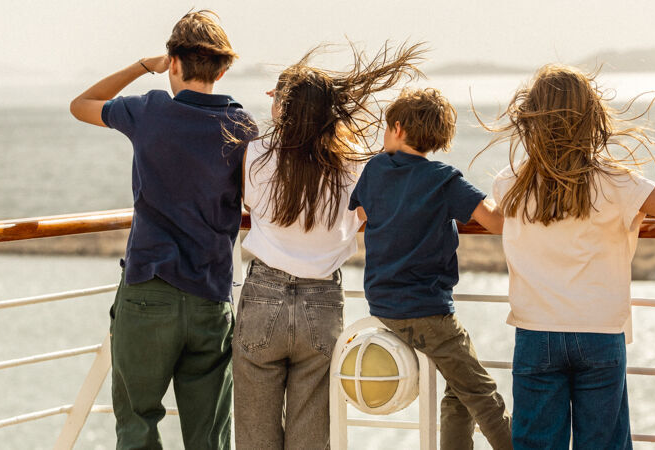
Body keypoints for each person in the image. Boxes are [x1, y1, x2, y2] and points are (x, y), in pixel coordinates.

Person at [485, 65, 655, 449]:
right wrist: (636, 208)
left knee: (537, 442)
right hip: (600, 331)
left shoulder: (510, 182)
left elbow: (500, 213)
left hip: (536, 331)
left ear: (532, 117)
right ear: (591, 118)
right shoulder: (617, 181)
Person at [68, 10, 256, 450]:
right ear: (223, 69)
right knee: (210, 438)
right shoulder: (241, 125)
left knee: (137, 426)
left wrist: (140, 66)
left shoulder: (148, 110)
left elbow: (80, 106)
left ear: (173, 62)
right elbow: (253, 199)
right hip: (210, 296)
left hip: (148, 291)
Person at [232, 42, 425, 450]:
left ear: (284, 108)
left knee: (253, 434)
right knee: (311, 436)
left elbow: (250, 202)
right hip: (321, 299)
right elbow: (365, 214)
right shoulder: (354, 163)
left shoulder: (259, 154)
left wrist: (281, 108)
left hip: (264, 292)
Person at [349, 87, 513, 449]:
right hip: (429, 313)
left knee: (459, 389)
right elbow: (495, 222)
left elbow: (362, 213)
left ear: (398, 128)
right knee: (482, 393)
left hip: (384, 304)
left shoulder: (375, 169)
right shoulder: (443, 179)